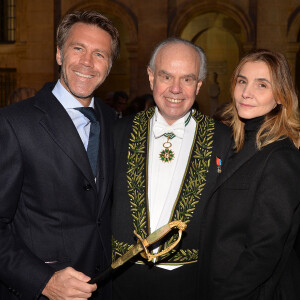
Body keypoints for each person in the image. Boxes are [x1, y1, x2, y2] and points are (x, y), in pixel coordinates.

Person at [0, 10, 119, 300]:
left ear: (110, 65)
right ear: (58, 54)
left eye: (100, 54)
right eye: (78, 49)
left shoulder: (114, 120)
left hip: (104, 286)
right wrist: (43, 281)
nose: (87, 63)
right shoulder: (14, 123)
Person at [111, 37, 232, 299]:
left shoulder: (225, 140)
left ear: (198, 86)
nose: (175, 89)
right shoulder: (117, 133)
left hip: (191, 283)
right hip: (123, 282)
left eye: (187, 79)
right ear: (151, 77)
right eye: (166, 77)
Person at [199, 49, 300, 300]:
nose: (246, 92)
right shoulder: (232, 143)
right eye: (242, 81)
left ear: (280, 96)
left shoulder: (280, 157)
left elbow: (264, 250)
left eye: (262, 84)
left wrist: (225, 294)